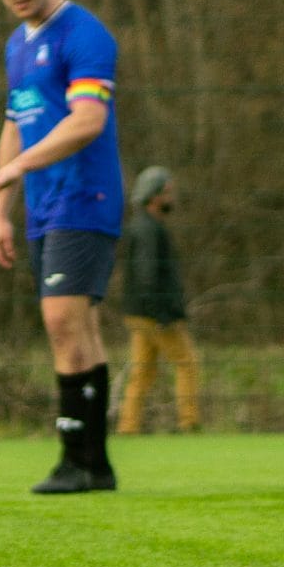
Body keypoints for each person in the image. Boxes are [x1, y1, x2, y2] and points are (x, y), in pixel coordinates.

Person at [0, 0, 123, 494]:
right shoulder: (18, 45)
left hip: (85, 197)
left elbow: (88, 120)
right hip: (42, 205)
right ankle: (95, 465)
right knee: (77, 326)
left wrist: (18, 169)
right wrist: (0, 212)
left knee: (62, 322)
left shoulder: (84, 34)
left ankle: (75, 459)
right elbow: (15, 123)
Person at [117, 166, 201, 433]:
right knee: (187, 363)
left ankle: (128, 426)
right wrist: (162, 313)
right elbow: (147, 274)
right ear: (154, 197)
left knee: (142, 373)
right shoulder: (149, 231)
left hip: (138, 311)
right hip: (154, 313)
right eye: (167, 192)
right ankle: (189, 422)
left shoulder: (141, 227)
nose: (171, 198)